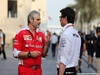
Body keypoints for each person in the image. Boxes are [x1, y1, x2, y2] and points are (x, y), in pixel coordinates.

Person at [13, 10, 51, 75]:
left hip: (38, 70)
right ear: (31, 20)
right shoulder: (21, 33)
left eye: (40, 20)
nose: (40, 22)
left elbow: (43, 55)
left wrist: (46, 44)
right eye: (38, 20)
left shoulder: (41, 34)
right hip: (25, 70)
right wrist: (30, 54)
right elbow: (15, 53)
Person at [56, 7, 81, 75]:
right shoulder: (77, 34)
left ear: (65, 18)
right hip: (73, 70)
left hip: (65, 71)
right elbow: (77, 56)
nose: (60, 20)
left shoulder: (66, 34)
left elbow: (64, 58)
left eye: (61, 17)